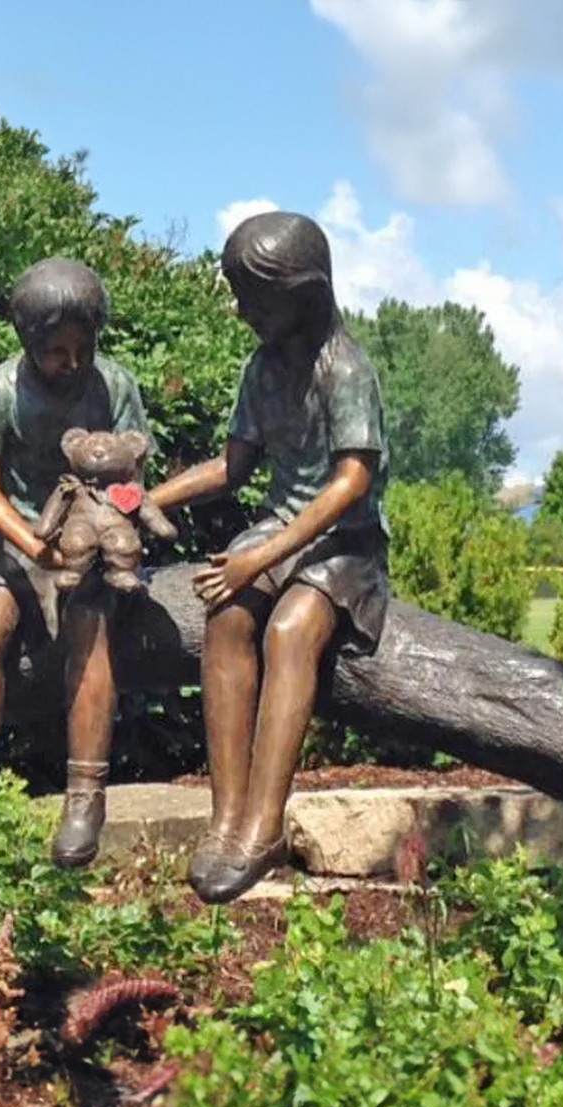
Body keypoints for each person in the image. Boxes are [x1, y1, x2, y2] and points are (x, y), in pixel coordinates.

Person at [148, 212, 390, 903]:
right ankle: (225, 814)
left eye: (253, 298)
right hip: (281, 530)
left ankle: (263, 825)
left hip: (344, 543)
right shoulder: (261, 368)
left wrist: (264, 557)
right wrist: (146, 498)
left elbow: (352, 483)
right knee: (225, 618)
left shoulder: (345, 369)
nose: (241, 311)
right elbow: (233, 467)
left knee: (288, 632)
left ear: (304, 294)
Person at [0, 257, 154, 866]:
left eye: (84, 348)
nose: (73, 363)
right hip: (21, 546)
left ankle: (85, 795)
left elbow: (134, 473)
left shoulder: (116, 386)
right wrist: (32, 546)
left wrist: (117, 524)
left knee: (91, 631)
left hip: (90, 548)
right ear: (28, 341)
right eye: (57, 351)